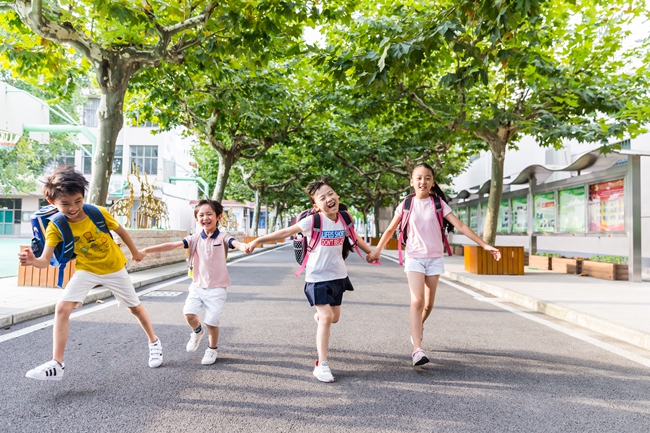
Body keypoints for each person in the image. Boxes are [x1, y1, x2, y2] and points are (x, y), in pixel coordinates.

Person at [18, 165, 162, 381]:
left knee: (135, 309)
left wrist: (136, 252)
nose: (73, 208)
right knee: (62, 308)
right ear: (52, 202)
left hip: (115, 268)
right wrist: (32, 261)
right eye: (65, 204)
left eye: (77, 201)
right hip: (87, 270)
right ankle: (57, 364)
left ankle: (154, 341)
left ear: (82, 196)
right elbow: (45, 260)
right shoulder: (56, 226)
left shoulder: (97, 212)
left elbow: (120, 230)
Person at [367, 163, 501, 366]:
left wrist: (484, 245)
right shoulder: (405, 205)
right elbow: (389, 230)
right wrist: (377, 250)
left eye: (427, 178)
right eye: (419, 178)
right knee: (417, 301)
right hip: (414, 258)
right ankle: (417, 350)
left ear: (433, 182)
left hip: (435, 259)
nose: (423, 181)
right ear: (411, 181)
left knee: (428, 304)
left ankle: (416, 329)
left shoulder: (438, 204)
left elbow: (461, 226)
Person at [245, 178, 374, 383]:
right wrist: (258, 240)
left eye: (331, 193)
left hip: (338, 276)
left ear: (337, 196)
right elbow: (286, 232)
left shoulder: (345, 218)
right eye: (322, 198)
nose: (329, 199)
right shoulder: (313, 221)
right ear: (316, 205)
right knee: (325, 317)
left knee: (334, 318)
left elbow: (355, 237)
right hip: (317, 278)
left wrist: (370, 252)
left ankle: (321, 318)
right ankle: (322, 365)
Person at [141, 199, 247, 365]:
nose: (205, 218)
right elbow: (172, 245)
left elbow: (236, 243)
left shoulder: (223, 237)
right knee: (189, 314)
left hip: (217, 288)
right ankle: (197, 332)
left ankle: (212, 350)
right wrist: (146, 250)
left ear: (218, 217)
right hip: (197, 286)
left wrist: (244, 247)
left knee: (212, 322)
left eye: (209, 214)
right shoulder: (194, 238)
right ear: (197, 219)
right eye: (201, 215)